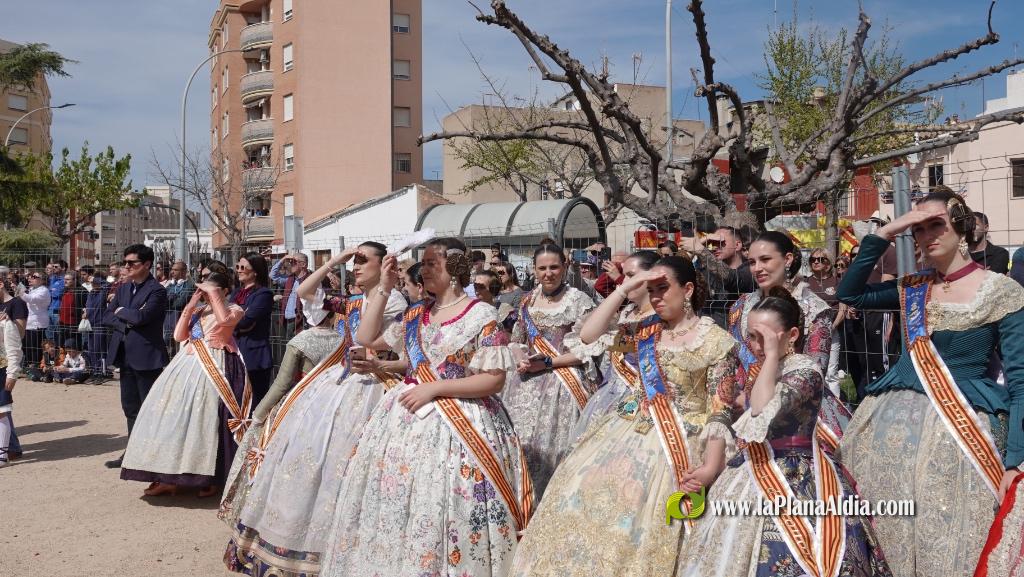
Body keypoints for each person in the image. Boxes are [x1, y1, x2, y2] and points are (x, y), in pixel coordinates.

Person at [511, 255, 738, 576]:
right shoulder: (646, 328)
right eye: (651, 290)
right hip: (624, 430)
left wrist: (711, 467)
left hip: (678, 442)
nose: (655, 297)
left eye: (662, 289)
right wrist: (624, 288)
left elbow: (720, 409)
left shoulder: (716, 341)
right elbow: (588, 335)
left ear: (687, 290)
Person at [837, 188, 1024, 577]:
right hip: (888, 434)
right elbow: (850, 293)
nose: (925, 236)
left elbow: (1021, 380)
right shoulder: (911, 287)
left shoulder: (1002, 291)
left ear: (961, 225)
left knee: (947, 537)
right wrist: (886, 233)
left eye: (935, 224)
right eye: (917, 229)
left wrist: (1014, 462)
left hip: (962, 433)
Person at [318, 237, 529, 577]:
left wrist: (435, 388)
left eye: (432, 263)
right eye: (424, 263)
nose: (424, 269)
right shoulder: (417, 313)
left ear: (455, 268)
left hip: (463, 424)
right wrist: (385, 287)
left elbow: (493, 380)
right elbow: (367, 338)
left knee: (446, 505)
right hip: (406, 421)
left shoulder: (482, 314)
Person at [224, 242, 409, 577]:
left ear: (384, 265)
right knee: (310, 455)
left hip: (376, 383)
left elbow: (384, 345)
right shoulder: (354, 301)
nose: (356, 266)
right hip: (340, 382)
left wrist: (382, 290)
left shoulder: (394, 301)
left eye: (363, 261)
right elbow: (304, 292)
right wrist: (334, 260)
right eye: (354, 261)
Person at [679, 287, 891, 577]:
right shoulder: (767, 368)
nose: (756, 345)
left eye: (764, 337)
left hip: (798, 473)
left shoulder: (806, 371)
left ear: (792, 335)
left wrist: (768, 357)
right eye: (751, 336)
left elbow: (761, 408)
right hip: (754, 467)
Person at [120, 272, 250, 498]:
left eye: (210, 291)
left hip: (216, 365)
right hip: (187, 364)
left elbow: (224, 321)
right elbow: (180, 336)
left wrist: (214, 295)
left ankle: (211, 477)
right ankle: (168, 477)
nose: (205, 295)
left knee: (208, 418)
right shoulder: (199, 311)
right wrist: (191, 306)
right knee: (172, 416)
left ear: (224, 291)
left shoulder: (235, 309)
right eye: (204, 291)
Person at [503, 244, 597, 497]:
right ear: (534, 270)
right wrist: (520, 356)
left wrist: (547, 363)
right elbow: (517, 339)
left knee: (555, 450)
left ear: (564, 267)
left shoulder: (578, 301)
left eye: (554, 267)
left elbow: (588, 350)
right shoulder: (528, 300)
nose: (548, 273)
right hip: (524, 385)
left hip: (563, 384)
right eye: (542, 268)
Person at [564, 250, 659, 442]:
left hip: (646, 396)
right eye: (624, 276)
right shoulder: (628, 311)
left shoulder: (661, 315)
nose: (625, 281)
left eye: (631, 276)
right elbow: (587, 336)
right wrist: (621, 291)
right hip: (612, 392)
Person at [104, 244, 169, 469]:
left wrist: (122, 312)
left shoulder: (156, 290)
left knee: (149, 408)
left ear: (147, 264)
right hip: (125, 355)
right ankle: (132, 453)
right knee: (130, 407)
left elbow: (143, 317)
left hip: (147, 357)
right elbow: (107, 316)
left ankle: (152, 456)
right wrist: (126, 317)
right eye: (125, 262)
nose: (127, 266)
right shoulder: (124, 288)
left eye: (132, 262)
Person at [682, 225, 757, 328]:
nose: (715, 247)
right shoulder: (707, 272)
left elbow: (732, 278)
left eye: (721, 242)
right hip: (706, 333)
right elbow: (675, 275)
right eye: (712, 243)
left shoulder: (751, 269)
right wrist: (691, 251)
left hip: (736, 334)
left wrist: (700, 250)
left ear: (737, 245)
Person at [231, 254, 273, 405]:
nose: (239, 270)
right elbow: (224, 318)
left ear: (255, 271)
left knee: (254, 403)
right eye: (237, 267)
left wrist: (234, 319)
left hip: (254, 357)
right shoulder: (236, 293)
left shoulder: (263, 294)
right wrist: (238, 317)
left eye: (243, 267)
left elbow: (245, 321)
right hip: (234, 351)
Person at [0, 277, 27, 464]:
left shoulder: (16, 303)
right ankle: (10, 448)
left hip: (5, 362)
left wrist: (13, 372)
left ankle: (8, 450)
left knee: (3, 409)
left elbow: (19, 334)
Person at [269, 252, 310, 357]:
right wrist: (283, 259)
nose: (290, 264)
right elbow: (272, 275)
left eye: (294, 262)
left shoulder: (309, 279)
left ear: (303, 264)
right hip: (287, 320)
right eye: (290, 261)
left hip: (302, 320)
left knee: (302, 351)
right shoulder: (290, 279)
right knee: (290, 351)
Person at [163, 260, 196, 357]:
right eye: (172, 269)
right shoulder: (170, 285)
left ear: (183, 272)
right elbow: (162, 301)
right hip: (168, 320)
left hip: (182, 319)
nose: (172, 272)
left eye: (175, 270)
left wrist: (170, 299)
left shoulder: (189, 286)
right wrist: (172, 298)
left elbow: (180, 303)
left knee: (179, 346)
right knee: (169, 345)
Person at [83, 268, 111, 380]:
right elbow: (88, 306)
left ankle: (101, 371)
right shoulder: (91, 293)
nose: (92, 284)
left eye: (95, 282)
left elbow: (107, 284)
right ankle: (94, 370)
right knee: (91, 348)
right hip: (90, 324)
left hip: (100, 324)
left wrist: (96, 279)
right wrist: (85, 312)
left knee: (99, 348)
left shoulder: (103, 292)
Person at [22, 271, 50, 372]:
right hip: (29, 322)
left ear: (42, 280)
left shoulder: (44, 290)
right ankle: (30, 366)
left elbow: (31, 299)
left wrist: (19, 290)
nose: (31, 278)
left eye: (34, 277)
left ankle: (36, 367)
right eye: (31, 276)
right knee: (28, 346)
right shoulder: (32, 289)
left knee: (36, 346)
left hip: (38, 323)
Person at [57, 272, 87, 348]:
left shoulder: (82, 291)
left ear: (75, 280)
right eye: (64, 279)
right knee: (62, 346)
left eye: (68, 279)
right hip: (62, 324)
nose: (65, 281)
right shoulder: (65, 290)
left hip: (74, 325)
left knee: (74, 346)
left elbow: (87, 305)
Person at [46, 259, 66, 340]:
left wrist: (52, 291)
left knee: (59, 336)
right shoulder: (52, 279)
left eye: (56, 267)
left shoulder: (65, 280)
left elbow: (57, 294)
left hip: (58, 311)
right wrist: (52, 291)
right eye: (53, 266)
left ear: (63, 268)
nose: (53, 268)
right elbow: (48, 294)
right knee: (49, 336)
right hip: (49, 310)